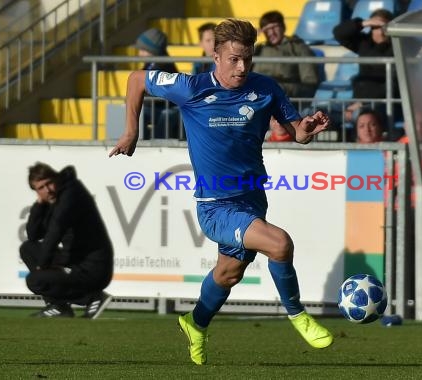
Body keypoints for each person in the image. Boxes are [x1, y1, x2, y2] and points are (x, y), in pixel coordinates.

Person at [109, 18, 334, 365]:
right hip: (216, 207)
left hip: (252, 199)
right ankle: (298, 316)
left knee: (228, 274)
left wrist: (306, 128)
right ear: (216, 56)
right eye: (234, 59)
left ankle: (194, 323)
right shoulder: (191, 87)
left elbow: (296, 133)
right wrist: (130, 132)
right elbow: (137, 79)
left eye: (247, 59)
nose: (242, 67)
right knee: (280, 244)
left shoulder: (266, 89)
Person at [20, 162, 114, 319]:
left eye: (49, 183)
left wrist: (41, 266)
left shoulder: (72, 193)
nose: (48, 190)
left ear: (55, 179)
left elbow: (55, 232)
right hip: (74, 261)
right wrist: (39, 204)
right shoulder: (52, 199)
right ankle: (58, 307)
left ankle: (93, 297)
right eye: (41, 188)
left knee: (35, 280)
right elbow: (33, 235)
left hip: (94, 268)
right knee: (28, 248)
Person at [332, 9, 401, 132]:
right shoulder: (364, 43)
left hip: (383, 104)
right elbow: (338, 33)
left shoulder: (398, 49)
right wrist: (362, 23)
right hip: (356, 102)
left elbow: (394, 85)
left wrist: (363, 104)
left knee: (362, 117)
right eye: (376, 27)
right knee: (314, 112)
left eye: (385, 27)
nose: (382, 32)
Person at [253, 10, 321, 98]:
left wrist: (280, 88)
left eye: (275, 27)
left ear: (283, 27)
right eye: (267, 29)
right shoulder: (258, 49)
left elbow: (310, 84)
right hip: (256, 99)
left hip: (286, 101)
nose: (271, 33)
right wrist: (249, 38)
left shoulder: (298, 48)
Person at [135, 28, 180, 139]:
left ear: (152, 50)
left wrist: (140, 98)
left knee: (165, 116)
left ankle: (156, 142)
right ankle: (137, 141)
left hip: (166, 106)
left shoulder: (164, 65)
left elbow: (158, 91)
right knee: (132, 112)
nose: (139, 54)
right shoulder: (150, 64)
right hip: (154, 105)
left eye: (143, 50)